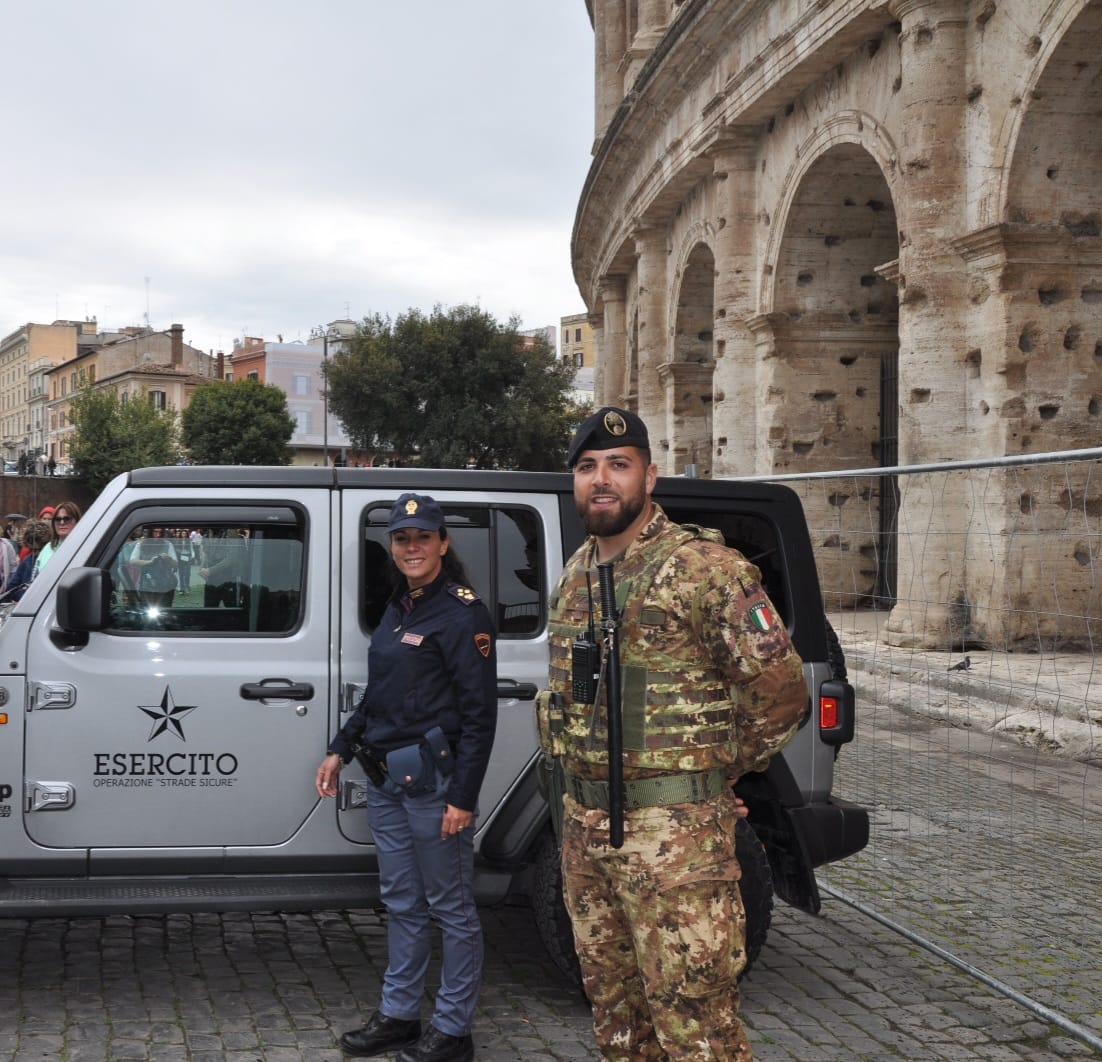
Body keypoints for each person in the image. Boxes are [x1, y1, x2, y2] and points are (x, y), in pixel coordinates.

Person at [539, 407, 808, 1060]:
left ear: (649, 477)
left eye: (618, 465)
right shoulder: (577, 574)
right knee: (617, 1021)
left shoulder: (706, 570)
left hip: (678, 847)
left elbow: (781, 691)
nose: (601, 480)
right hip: (587, 836)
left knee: (697, 1033)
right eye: (587, 467)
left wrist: (718, 775)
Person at [315, 493, 497, 1062]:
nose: (411, 547)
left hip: (437, 788)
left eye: (422, 537)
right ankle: (399, 1015)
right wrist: (340, 748)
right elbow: (380, 694)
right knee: (401, 902)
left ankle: (452, 1031)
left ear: (443, 543)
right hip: (388, 781)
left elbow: (479, 718)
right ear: (392, 547)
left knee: (452, 909)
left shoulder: (463, 614)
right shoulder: (400, 605)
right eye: (401, 538)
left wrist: (463, 798)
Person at [2, 519, 52, 601]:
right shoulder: (27, 561)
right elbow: (11, 588)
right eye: (31, 549)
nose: (34, 553)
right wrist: (24, 595)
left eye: (37, 549)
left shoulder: (52, 560)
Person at [33, 501, 82, 578]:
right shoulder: (47, 548)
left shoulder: (83, 548)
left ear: (77, 521)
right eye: (58, 519)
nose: (62, 522)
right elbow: (34, 580)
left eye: (67, 519)